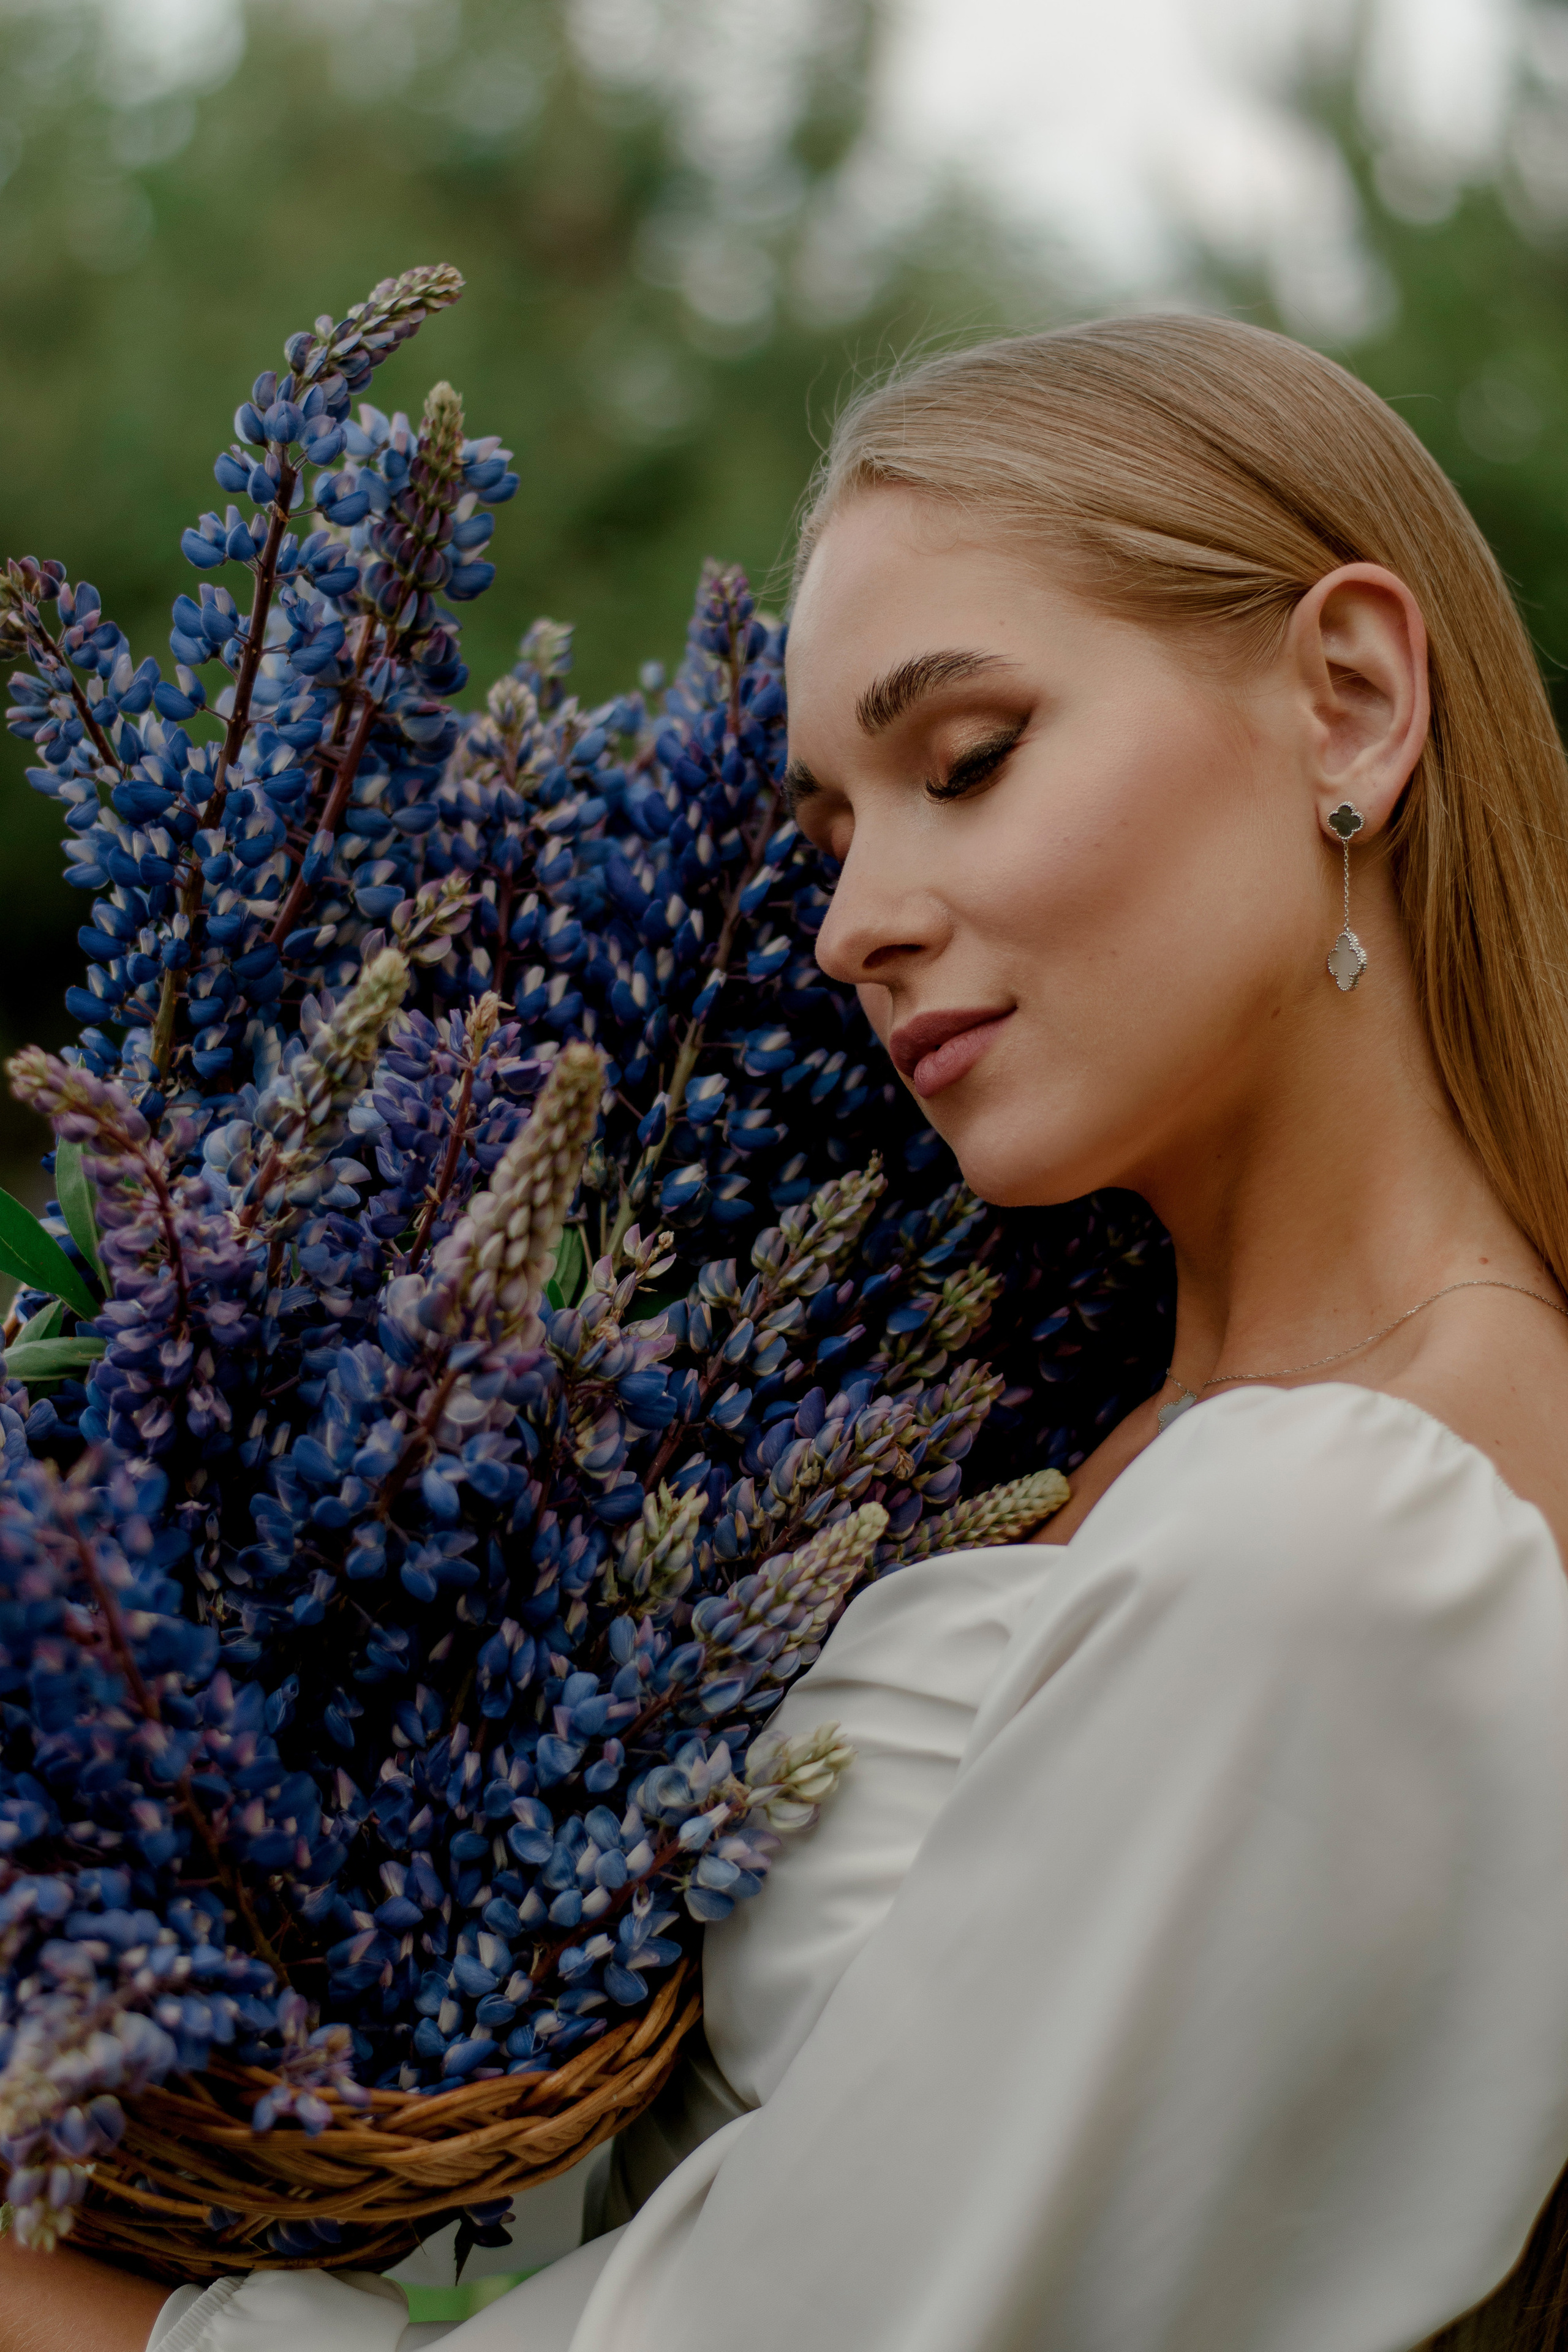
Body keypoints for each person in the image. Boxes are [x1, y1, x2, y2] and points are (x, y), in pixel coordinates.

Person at [9, 311, 1568, 2351]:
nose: (851, 927)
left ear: (1349, 702)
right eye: (829, 837)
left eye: (970, 760)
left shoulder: (1345, 1547)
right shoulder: (1081, 1428)